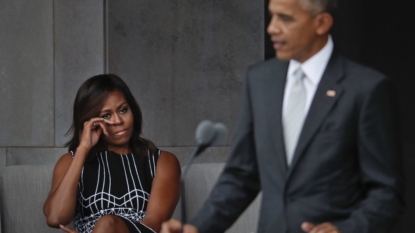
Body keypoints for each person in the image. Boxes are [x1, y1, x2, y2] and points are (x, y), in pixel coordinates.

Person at [161, 0, 404, 232]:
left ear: (321, 23)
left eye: (285, 18)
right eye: (271, 15)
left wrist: (347, 230)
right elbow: (242, 176)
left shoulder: (366, 88)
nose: (272, 28)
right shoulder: (259, 80)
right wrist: (197, 227)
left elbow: (386, 192)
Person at [43, 74, 181, 233]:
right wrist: (83, 149)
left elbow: (155, 224)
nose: (117, 120)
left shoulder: (162, 161)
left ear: (133, 110)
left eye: (123, 110)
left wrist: (108, 227)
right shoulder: (71, 161)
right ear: (90, 122)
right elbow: (55, 218)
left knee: (108, 223)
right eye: (106, 115)